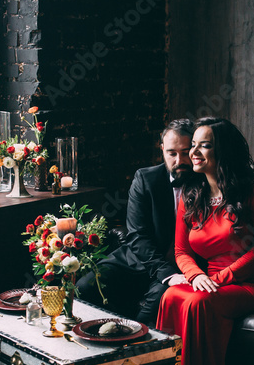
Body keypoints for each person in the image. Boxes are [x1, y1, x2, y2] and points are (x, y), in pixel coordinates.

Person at [156, 117, 254, 365]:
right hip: (210, 281)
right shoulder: (191, 194)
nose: (194, 153)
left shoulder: (253, 191)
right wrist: (196, 275)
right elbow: (180, 251)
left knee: (198, 303)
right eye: (194, 146)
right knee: (171, 296)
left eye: (205, 146)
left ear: (222, 151)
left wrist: (219, 279)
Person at [77, 119, 194, 324]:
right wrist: (163, 272)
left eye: (185, 152)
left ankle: (133, 348)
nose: (179, 160)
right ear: (162, 150)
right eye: (172, 153)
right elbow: (137, 235)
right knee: (83, 288)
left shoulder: (205, 182)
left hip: (180, 267)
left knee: (148, 316)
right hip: (136, 260)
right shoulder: (146, 179)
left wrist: (170, 274)